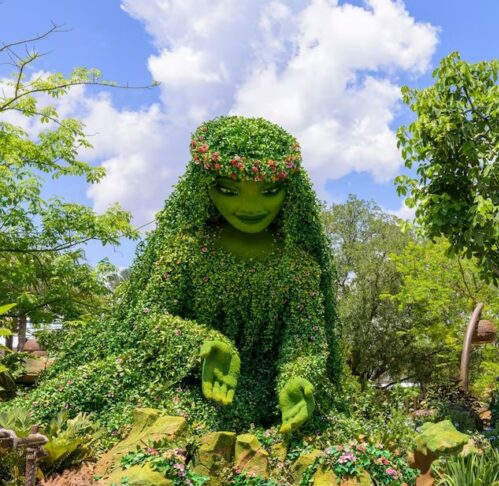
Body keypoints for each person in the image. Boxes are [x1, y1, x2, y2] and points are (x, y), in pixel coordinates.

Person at [18, 116, 342, 434]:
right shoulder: (186, 251)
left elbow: (306, 337)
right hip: (187, 388)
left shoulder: (299, 268)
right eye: (229, 190)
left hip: (270, 403)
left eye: (269, 191)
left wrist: (299, 375)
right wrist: (202, 344)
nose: (250, 204)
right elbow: (147, 316)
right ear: (204, 186)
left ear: (291, 192)